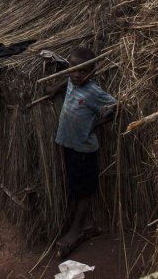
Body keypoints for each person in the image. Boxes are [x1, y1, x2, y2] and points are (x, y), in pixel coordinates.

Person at [51, 46, 117, 258]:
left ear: (92, 72)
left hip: (83, 150)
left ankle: (76, 230)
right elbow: (69, 80)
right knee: (75, 186)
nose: (77, 74)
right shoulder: (72, 80)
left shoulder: (94, 92)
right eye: (74, 69)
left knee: (83, 191)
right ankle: (84, 223)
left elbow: (115, 107)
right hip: (69, 146)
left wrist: (95, 126)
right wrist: (55, 88)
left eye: (83, 71)